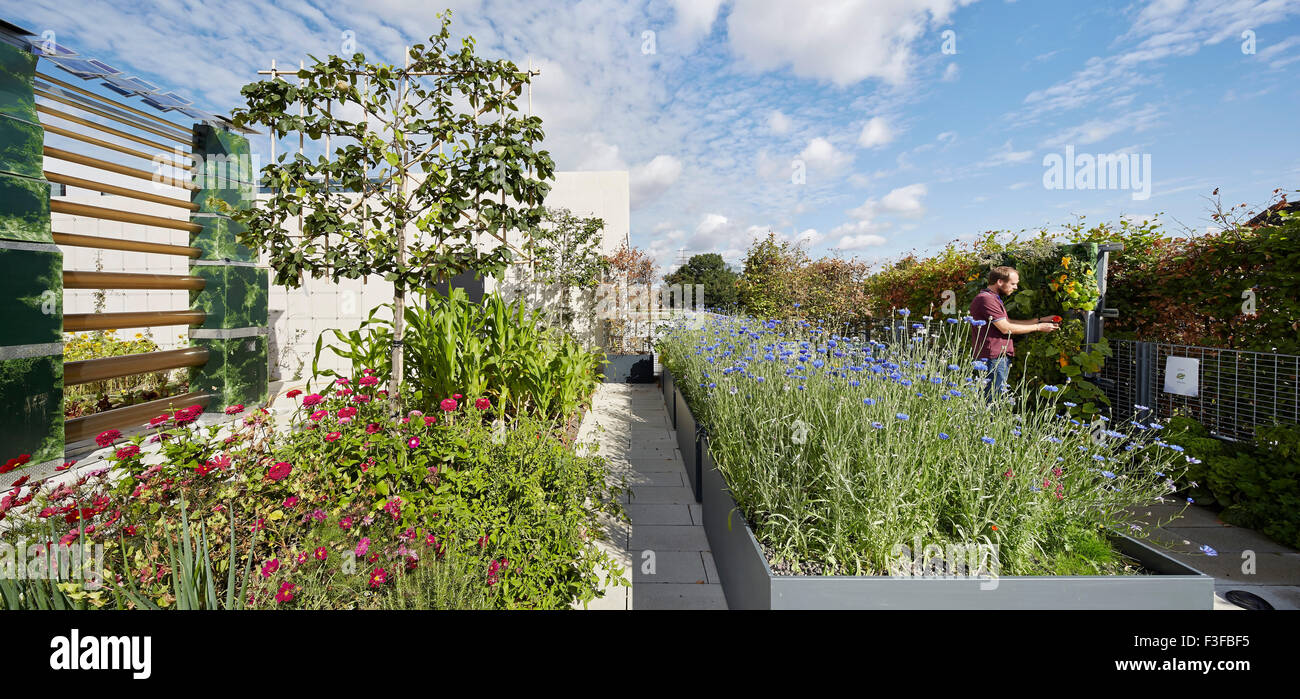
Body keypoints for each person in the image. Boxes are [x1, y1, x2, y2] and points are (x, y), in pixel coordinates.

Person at [969, 266, 1058, 405]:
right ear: (999, 282)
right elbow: (1005, 328)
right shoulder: (986, 299)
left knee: (993, 398)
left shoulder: (992, 298)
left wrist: (1040, 320)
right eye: (1013, 284)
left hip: (996, 356)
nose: (1016, 287)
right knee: (992, 401)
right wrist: (1039, 327)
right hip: (993, 357)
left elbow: (1008, 322)